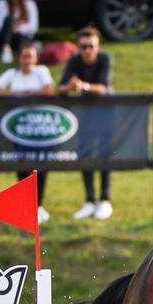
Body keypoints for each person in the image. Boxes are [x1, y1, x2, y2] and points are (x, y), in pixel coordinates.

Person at [0, 44, 55, 224]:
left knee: (41, 166)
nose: (27, 60)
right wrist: (14, 93)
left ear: (36, 58)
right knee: (22, 167)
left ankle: (39, 205)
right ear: (19, 58)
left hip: (40, 130)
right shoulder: (12, 74)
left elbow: (50, 90)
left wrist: (27, 93)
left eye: (30, 56)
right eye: (24, 56)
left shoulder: (41, 71)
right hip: (19, 129)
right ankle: (26, 206)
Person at [59, 26, 114, 221]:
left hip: (106, 114)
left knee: (104, 155)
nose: (87, 50)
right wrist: (69, 86)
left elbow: (104, 88)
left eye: (91, 46)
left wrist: (82, 86)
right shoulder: (74, 60)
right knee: (85, 154)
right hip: (85, 115)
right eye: (83, 46)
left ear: (97, 46)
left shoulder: (105, 58)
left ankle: (105, 200)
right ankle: (90, 201)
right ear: (78, 46)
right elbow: (61, 87)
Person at [0, 0, 39, 64]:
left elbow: (34, 27)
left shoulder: (30, 4)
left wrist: (18, 28)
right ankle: (6, 49)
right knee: (8, 19)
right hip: (4, 37)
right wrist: (11, 27)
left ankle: (22, 50)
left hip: (22, 37)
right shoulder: (1, 4)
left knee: (24, 39)